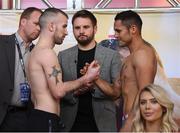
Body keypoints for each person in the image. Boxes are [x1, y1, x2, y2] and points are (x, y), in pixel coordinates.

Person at [26, 8, 100, 132]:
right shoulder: (47, 54)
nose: (66, 32)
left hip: (39, 117)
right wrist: (86, 78)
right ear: (51, 26)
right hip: (46, 119)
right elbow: (58, 91)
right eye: (64, 26)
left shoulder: (34, 52)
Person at [58, 9, 121, 132]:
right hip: (70, 124)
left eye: (86, 27)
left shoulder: (112, 56)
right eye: (77, 28)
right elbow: (56, 90)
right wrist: (77, 91)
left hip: (103, 125)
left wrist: (94, 81)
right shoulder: (63, 56)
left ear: (95, 28)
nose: (81, 31)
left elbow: (116, 93)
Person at [0, 7, 42, 131]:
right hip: (3, 115)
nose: (39, 29)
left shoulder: (37, 52)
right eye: (36, 24)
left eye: (41, 26)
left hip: (27, 115)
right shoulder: (2, 44)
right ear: (23, 22)